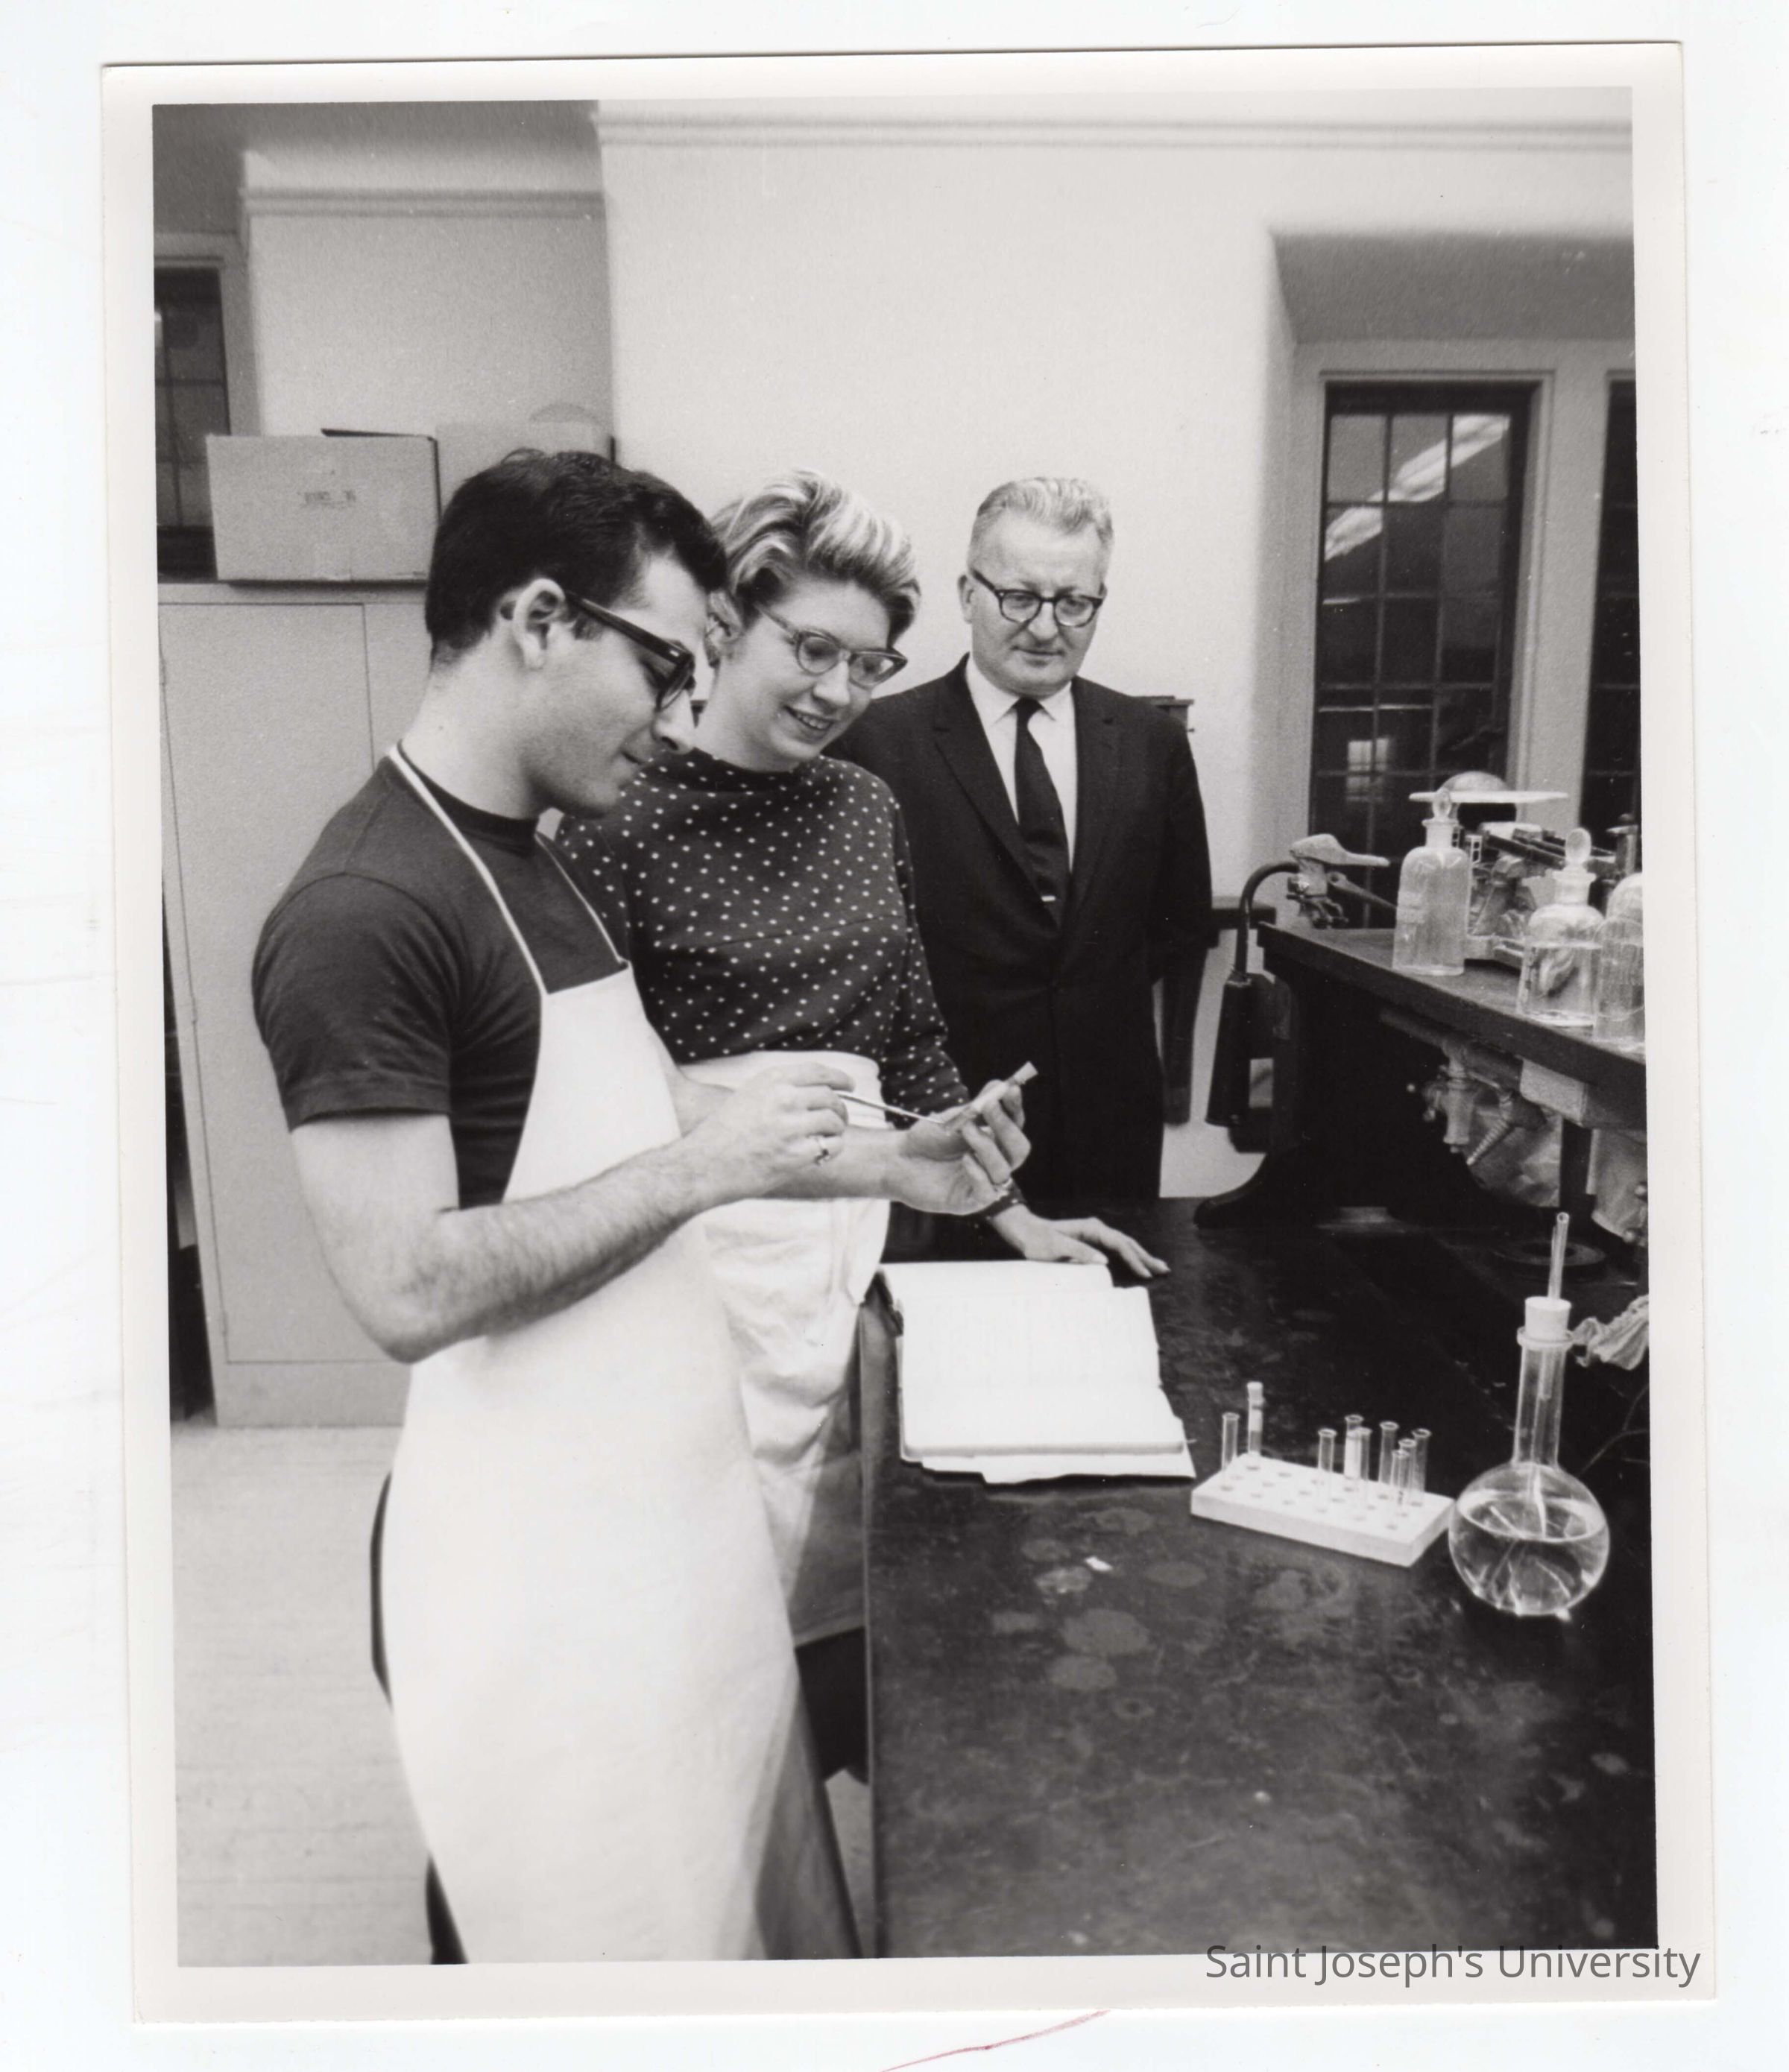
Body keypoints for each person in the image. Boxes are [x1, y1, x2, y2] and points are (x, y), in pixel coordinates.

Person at [250, 451, 1024, 1963]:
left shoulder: (522, 856)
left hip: (637, 1495)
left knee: (711, 1888)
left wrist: (889, 1164)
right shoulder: (365, 912)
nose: (680, 711)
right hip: (533, 1539)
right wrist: (704, 1174)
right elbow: (405, 1288)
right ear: (540, 620)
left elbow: (648, 1108)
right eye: (664, 664)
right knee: (559, 1930)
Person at [555, 472, 1163, 1776]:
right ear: (727, 624)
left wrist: (1008, 1209)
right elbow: (593, 1100)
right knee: (707, 1600)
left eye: (869, 663)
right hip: (699, 1260)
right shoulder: (617, 819)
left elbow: (910, 1034)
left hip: (859, 1250)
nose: (839, 691)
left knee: (854, 1574)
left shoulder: (862, 806)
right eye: (812, 649)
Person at [836, 477, 1214, 1205]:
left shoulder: (1153, 744)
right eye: (1019, 597)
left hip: (1111, 1125)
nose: (1045, 628)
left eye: (1073, 602)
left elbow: (1178, 924)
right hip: (942, 1127)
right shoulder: (874, 742)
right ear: (966, 594)